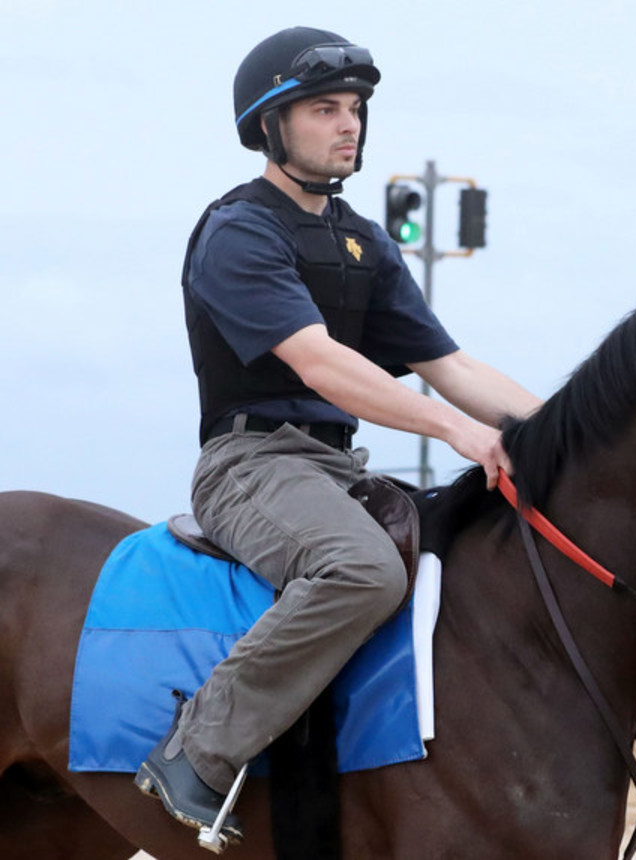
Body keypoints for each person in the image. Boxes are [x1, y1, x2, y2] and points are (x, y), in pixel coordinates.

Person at [135, 26, 541, 839]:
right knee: (360, 569)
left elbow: (451, 365)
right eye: (325, 109)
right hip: (250, 464)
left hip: (335, 467)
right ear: (270, 125)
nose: (348, 123)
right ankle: (197, 753)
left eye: (355, 108)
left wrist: (563, 432)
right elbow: (320, 365)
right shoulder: (238, 232)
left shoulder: (363, 241)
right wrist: (453, 431)